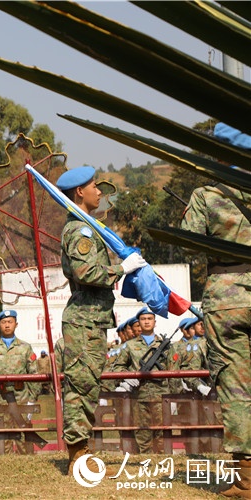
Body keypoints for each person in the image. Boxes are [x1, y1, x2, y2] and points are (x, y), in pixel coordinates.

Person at [56, 166, 148, 473]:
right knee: (81, 387)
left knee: (88, 386)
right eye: (94, 187)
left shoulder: (87, 226)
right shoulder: (79, 230)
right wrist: (122, 269)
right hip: (83, 320)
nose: (99, 192)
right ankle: (77, 454)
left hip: (91, 320)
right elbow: (86, 272)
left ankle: (80, 449)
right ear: (79, 192)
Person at [180, 122, 251, 498]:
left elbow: (187, 241)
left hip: (227, 295)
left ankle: (247, 478)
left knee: (237, 386)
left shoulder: (207, 194)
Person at [112, 308, 169, 453]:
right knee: (142, 434)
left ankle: (162, 463)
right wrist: (127, 377)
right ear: (139, 322)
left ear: (155, 322)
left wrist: (175, 396)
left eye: (150, 319)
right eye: (143, 319)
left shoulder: (165, 345)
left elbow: (173, 369)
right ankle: (146, 462)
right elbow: (117, 367)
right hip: (139, 396)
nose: (146, 322)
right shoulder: (130, 346)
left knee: (162, 434)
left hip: (162, 395)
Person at [0, 310, 40, 454]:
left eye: (10, 322)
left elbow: (34, 374)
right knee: (3, 440)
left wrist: (32, 400)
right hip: (0, 398)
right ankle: (4, 465)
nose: (7, 325)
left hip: (21, 398)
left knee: (23, 439)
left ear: (16, 324)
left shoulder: (25, 348)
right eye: (3, 322)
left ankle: (26, 464)